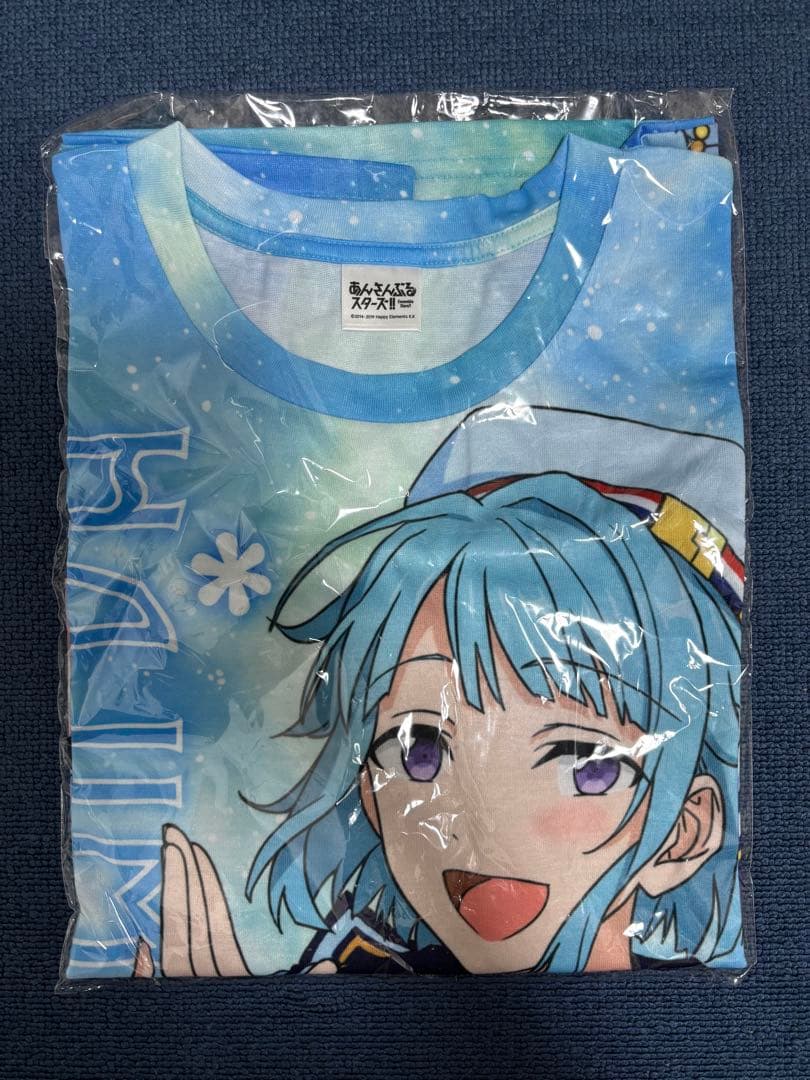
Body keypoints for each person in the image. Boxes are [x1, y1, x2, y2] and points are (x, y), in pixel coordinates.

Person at [141, 465, 745, 977]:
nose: (482, 818)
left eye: (584, 766)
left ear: (686, 831)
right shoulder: (341, 970)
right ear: (369, 795)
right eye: (420, 750)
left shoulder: (715, 1028)